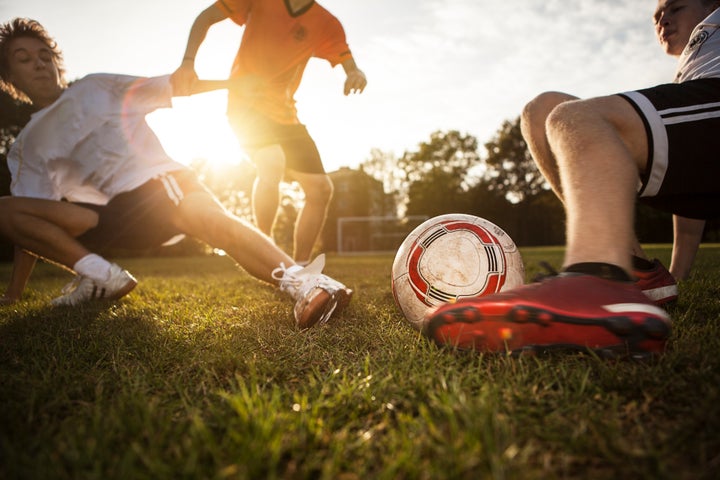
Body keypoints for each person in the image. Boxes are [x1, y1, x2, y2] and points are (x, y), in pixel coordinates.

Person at [0, 17, 352, 329]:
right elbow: (31, 225)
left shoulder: (94, 88)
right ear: (9, 76)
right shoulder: (27, 145)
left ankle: (306, 283)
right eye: (25, 59)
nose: (40, 65)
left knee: (212, 222)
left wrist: (232, 86)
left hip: (155, 186)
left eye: (45, 56)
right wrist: (14, 294)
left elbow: (172, 85)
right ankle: (97, 275)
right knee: (7, 209)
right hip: (106, 221)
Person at [425, 0, 720, 356]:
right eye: (657, 16)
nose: (663, 20)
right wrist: (673, 277)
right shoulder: (692, 69)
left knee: (576, 119)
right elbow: (690, 175)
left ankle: (599, 283)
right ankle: (633, 270)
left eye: (675, 7)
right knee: (543, 111)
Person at [172, 0, 367, 266]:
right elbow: (205, 17)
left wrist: (354, 73)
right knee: (272, 163)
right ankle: (264, 253)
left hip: (286, 116)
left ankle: (299, 268)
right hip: (246, 105)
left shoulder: (327, 23)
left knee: (320, 189)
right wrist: (187, 63)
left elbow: (347, 61)